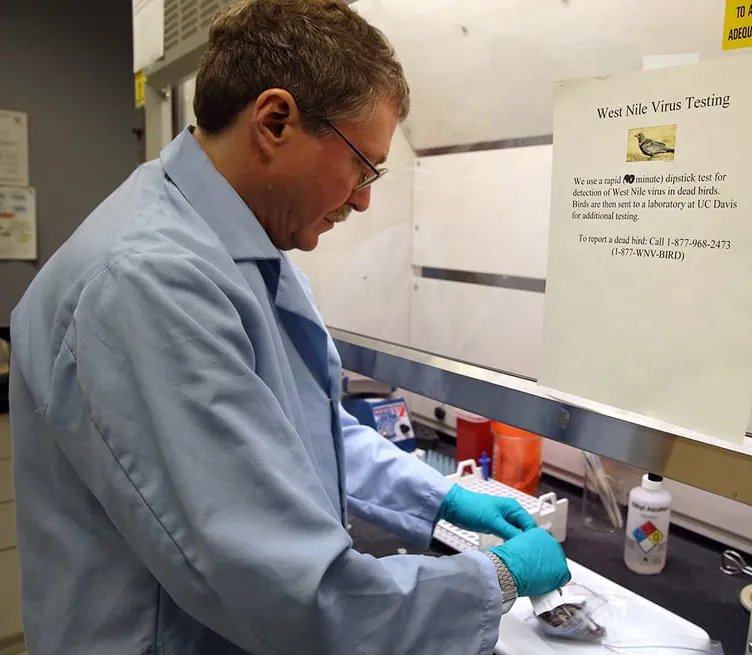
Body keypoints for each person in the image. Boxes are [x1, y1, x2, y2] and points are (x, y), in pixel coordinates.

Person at [8, 1, 571, 653]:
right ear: (275, 120)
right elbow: (292, 593)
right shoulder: (148, 279)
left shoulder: (239, 250)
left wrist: (440, 495)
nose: (363, 199)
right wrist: (494, 577)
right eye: (363, 167)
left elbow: (309, 432)